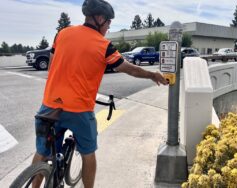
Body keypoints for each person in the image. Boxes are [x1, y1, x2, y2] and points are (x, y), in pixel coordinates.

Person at [31, 0, 168, 187]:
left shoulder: (62, 33)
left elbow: (53, 62)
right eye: (109, 23)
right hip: (78, 110)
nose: (109, 27)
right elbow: (129, 69)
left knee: (42, 152)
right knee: (88, 153)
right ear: (100, 19)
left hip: (49, 105)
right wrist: (153, 75)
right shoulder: (103, 45)